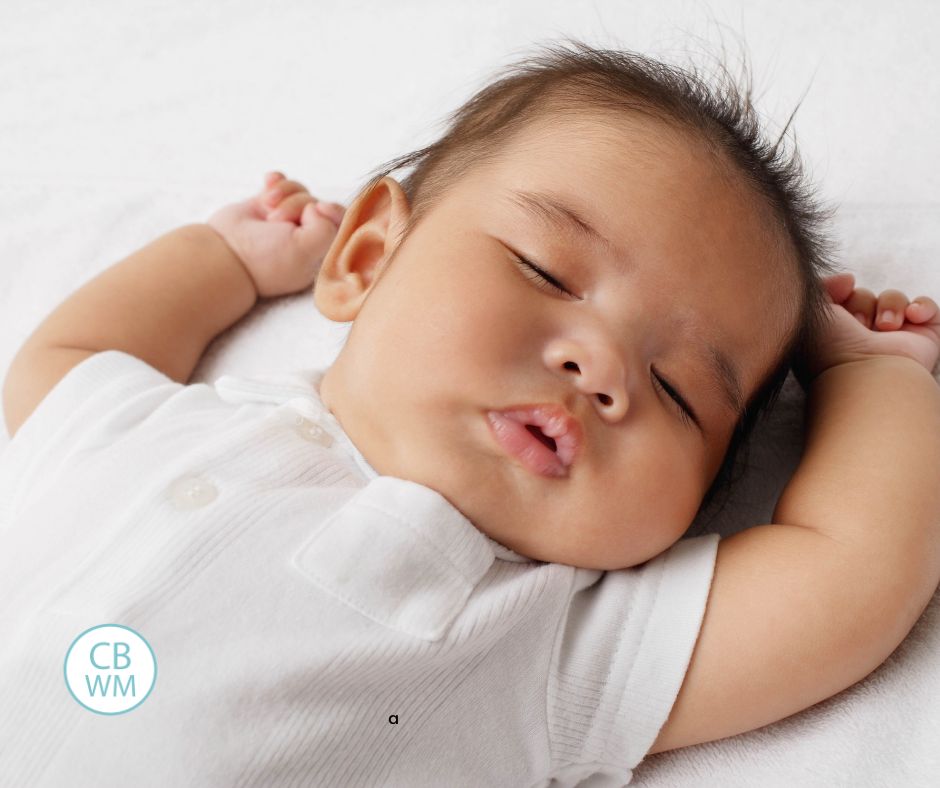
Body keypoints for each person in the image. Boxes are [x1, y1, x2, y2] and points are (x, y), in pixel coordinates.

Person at [1, 41, 938, 786]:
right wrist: (222, 259)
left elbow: (850, 573)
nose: (602, 364)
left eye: (680, 391)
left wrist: (868, 372)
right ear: (366, 258)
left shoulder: (543, 640)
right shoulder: (159, 430)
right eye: (546, 271)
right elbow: (67, 362)